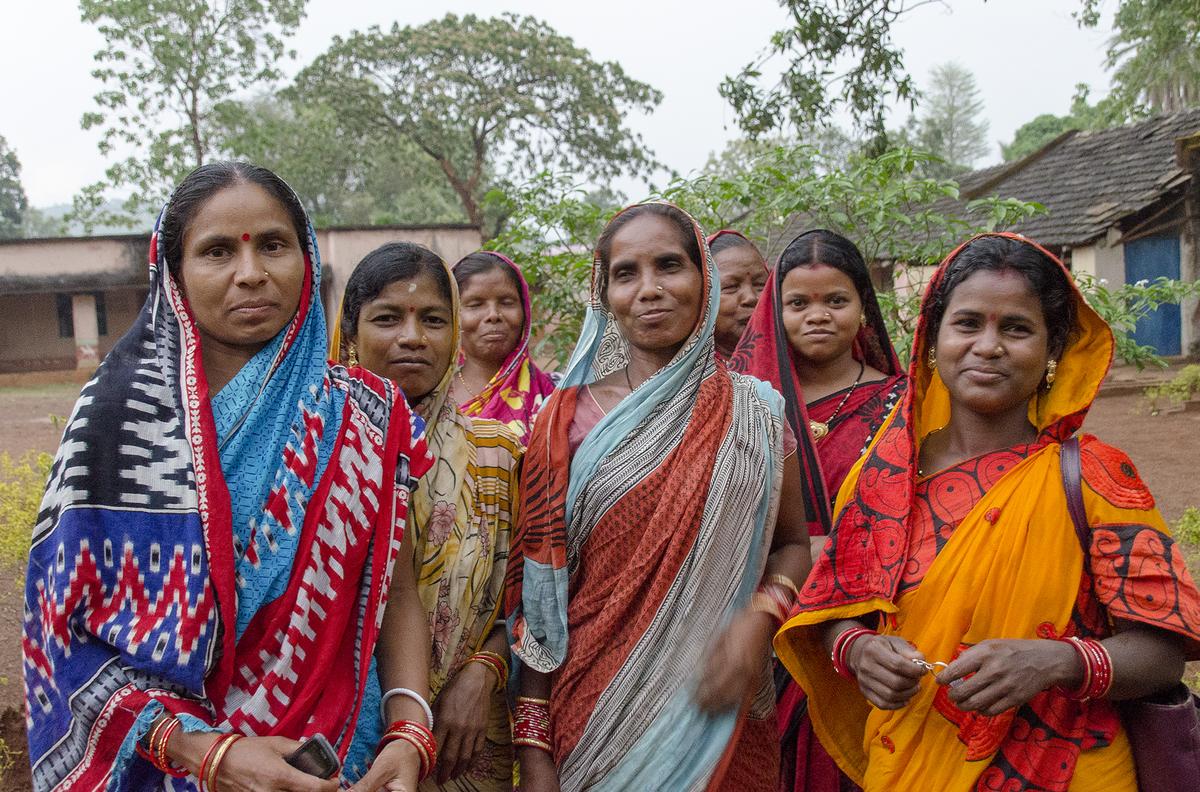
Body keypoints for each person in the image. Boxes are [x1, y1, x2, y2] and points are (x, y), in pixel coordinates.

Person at [22, 162, 435, 792]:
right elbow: (63, 632)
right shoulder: (115, 424)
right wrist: (204, 752)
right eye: (217, 251)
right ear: (174, 272)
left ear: (308, 255)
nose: (251, 273)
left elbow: (394, 591)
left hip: (341, 762)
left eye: (273, 245)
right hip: (167, 769)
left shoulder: (367, 412)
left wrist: (409, 727)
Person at [775, 232, 1200, 792]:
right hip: (905, 765)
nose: (989, 346)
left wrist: (1057, 662)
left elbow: (1165, 653)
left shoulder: (1093, 477)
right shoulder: (882, 474)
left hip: (1067, 773)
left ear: (1053, 352)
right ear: (932, 339)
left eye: (1017, 328)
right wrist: (857, 650)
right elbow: (831, 608)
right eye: (968, 323)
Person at [505, 202, 820, 792]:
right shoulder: (565, 421)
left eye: (670, 266)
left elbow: (793, 546)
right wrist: (533, 748)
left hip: (719, 708)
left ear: (706, 278)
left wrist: (758, 624)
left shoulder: (756, 412)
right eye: (626, 273)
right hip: (591, 717)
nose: (649, 289)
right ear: (605, 294)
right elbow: (537, 596)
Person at [333, 242, 522, 791]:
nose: (412, 337)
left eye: (434, 319)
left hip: (466, 739)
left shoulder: (500, 455)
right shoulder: (313, 452)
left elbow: (534, 597)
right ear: (350, 331)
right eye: (388, 317)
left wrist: (485, 670)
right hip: (336, 733)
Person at [731, 229, 906, 792]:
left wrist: (832, 555)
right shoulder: (743, 403)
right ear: (773, 310)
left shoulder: (904, 403)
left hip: (866, 626)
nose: (818, 316)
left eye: (836, 301)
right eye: (797, 303)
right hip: (760, 623)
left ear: (863, 308)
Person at [449, 251, 557, 446]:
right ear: (453, 315)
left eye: (507, 303)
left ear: (524, 311)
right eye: (475, 304)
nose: (493, 315)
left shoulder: (557, 395)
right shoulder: (432, 399)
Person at [709, 230, 769, 362]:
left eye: (760, 285)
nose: (751, 298)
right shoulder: (682, 378)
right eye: (731, 286)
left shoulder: (802, 367)